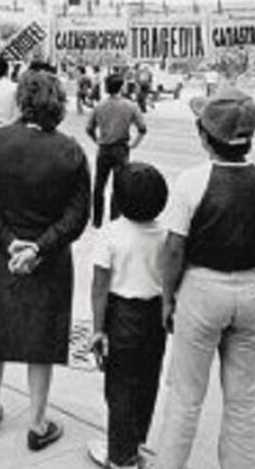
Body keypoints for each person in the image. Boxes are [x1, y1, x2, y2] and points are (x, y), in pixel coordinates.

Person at [158, 87, 255, 469]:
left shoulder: (192, 181)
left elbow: (174, 250)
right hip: (249, 289)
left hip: (201, 289)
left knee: (185, 398)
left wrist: (168, 298)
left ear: (204, 136)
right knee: (244, 401)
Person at [0, 70, 90, 451]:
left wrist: (8, 242)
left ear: (21, 100)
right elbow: (77, 216)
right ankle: (37, 423)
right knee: (42, 341)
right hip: (48, 259)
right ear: (59, 105)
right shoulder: (71, 152)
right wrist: (38, 247)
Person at [87, 162, 169, 469]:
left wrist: (98, 329)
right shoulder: (165, 234)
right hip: (155, 315)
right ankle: (133, 443)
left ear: (118, 199)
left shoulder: (110, 233)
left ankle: (120, 457)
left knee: (120, 385)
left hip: (122, 314)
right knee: (147, 380)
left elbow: (99, 285)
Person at [86, 74, 147, 228]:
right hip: (121, 149)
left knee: (99, 186)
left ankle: (97, 221)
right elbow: (142, 128)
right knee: (119, 186)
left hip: (103, 149)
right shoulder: (130, 106)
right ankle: (115, 220)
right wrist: (134, 144)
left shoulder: (99, 106)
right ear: (121, 87)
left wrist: (96, 140)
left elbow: (89, 128)